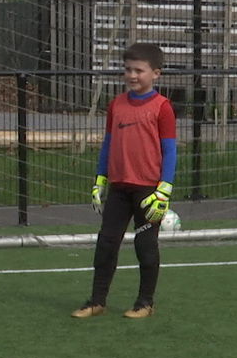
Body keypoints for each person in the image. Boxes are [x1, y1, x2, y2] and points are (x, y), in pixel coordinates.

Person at [71, 43, 177, 319]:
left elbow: (169, 150)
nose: (132, 75)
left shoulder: (162, 107)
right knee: (106, 243)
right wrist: (99, 180)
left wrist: (164, 190)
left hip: (147, 190)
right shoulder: (115, 105)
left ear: (155, 73)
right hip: (118, 187)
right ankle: (96, 301)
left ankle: (144, 302)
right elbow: (108, 145)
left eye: (138, 70)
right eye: (128, 69)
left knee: (145, 246)